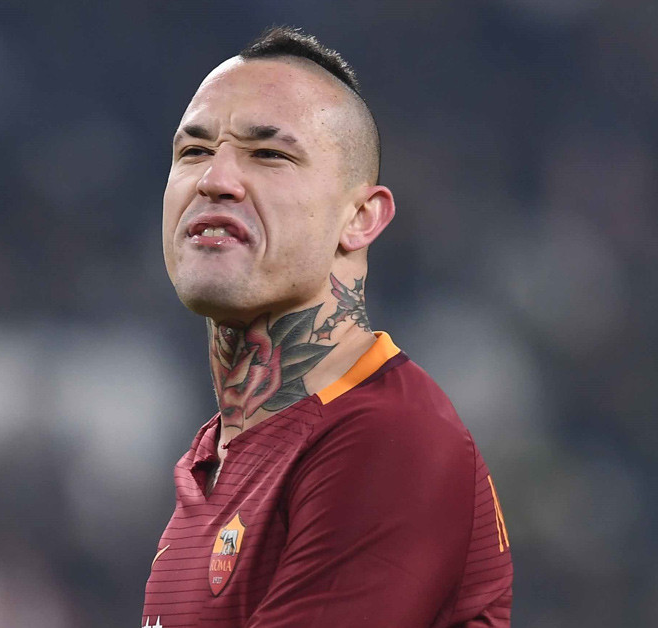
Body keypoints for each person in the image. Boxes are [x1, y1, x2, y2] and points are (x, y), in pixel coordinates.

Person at [141, 27, 513, 628]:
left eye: (269, 154)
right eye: (194, 151)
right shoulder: (214, 461)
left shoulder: (389, 440)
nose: (215, 179)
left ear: (360, 217)